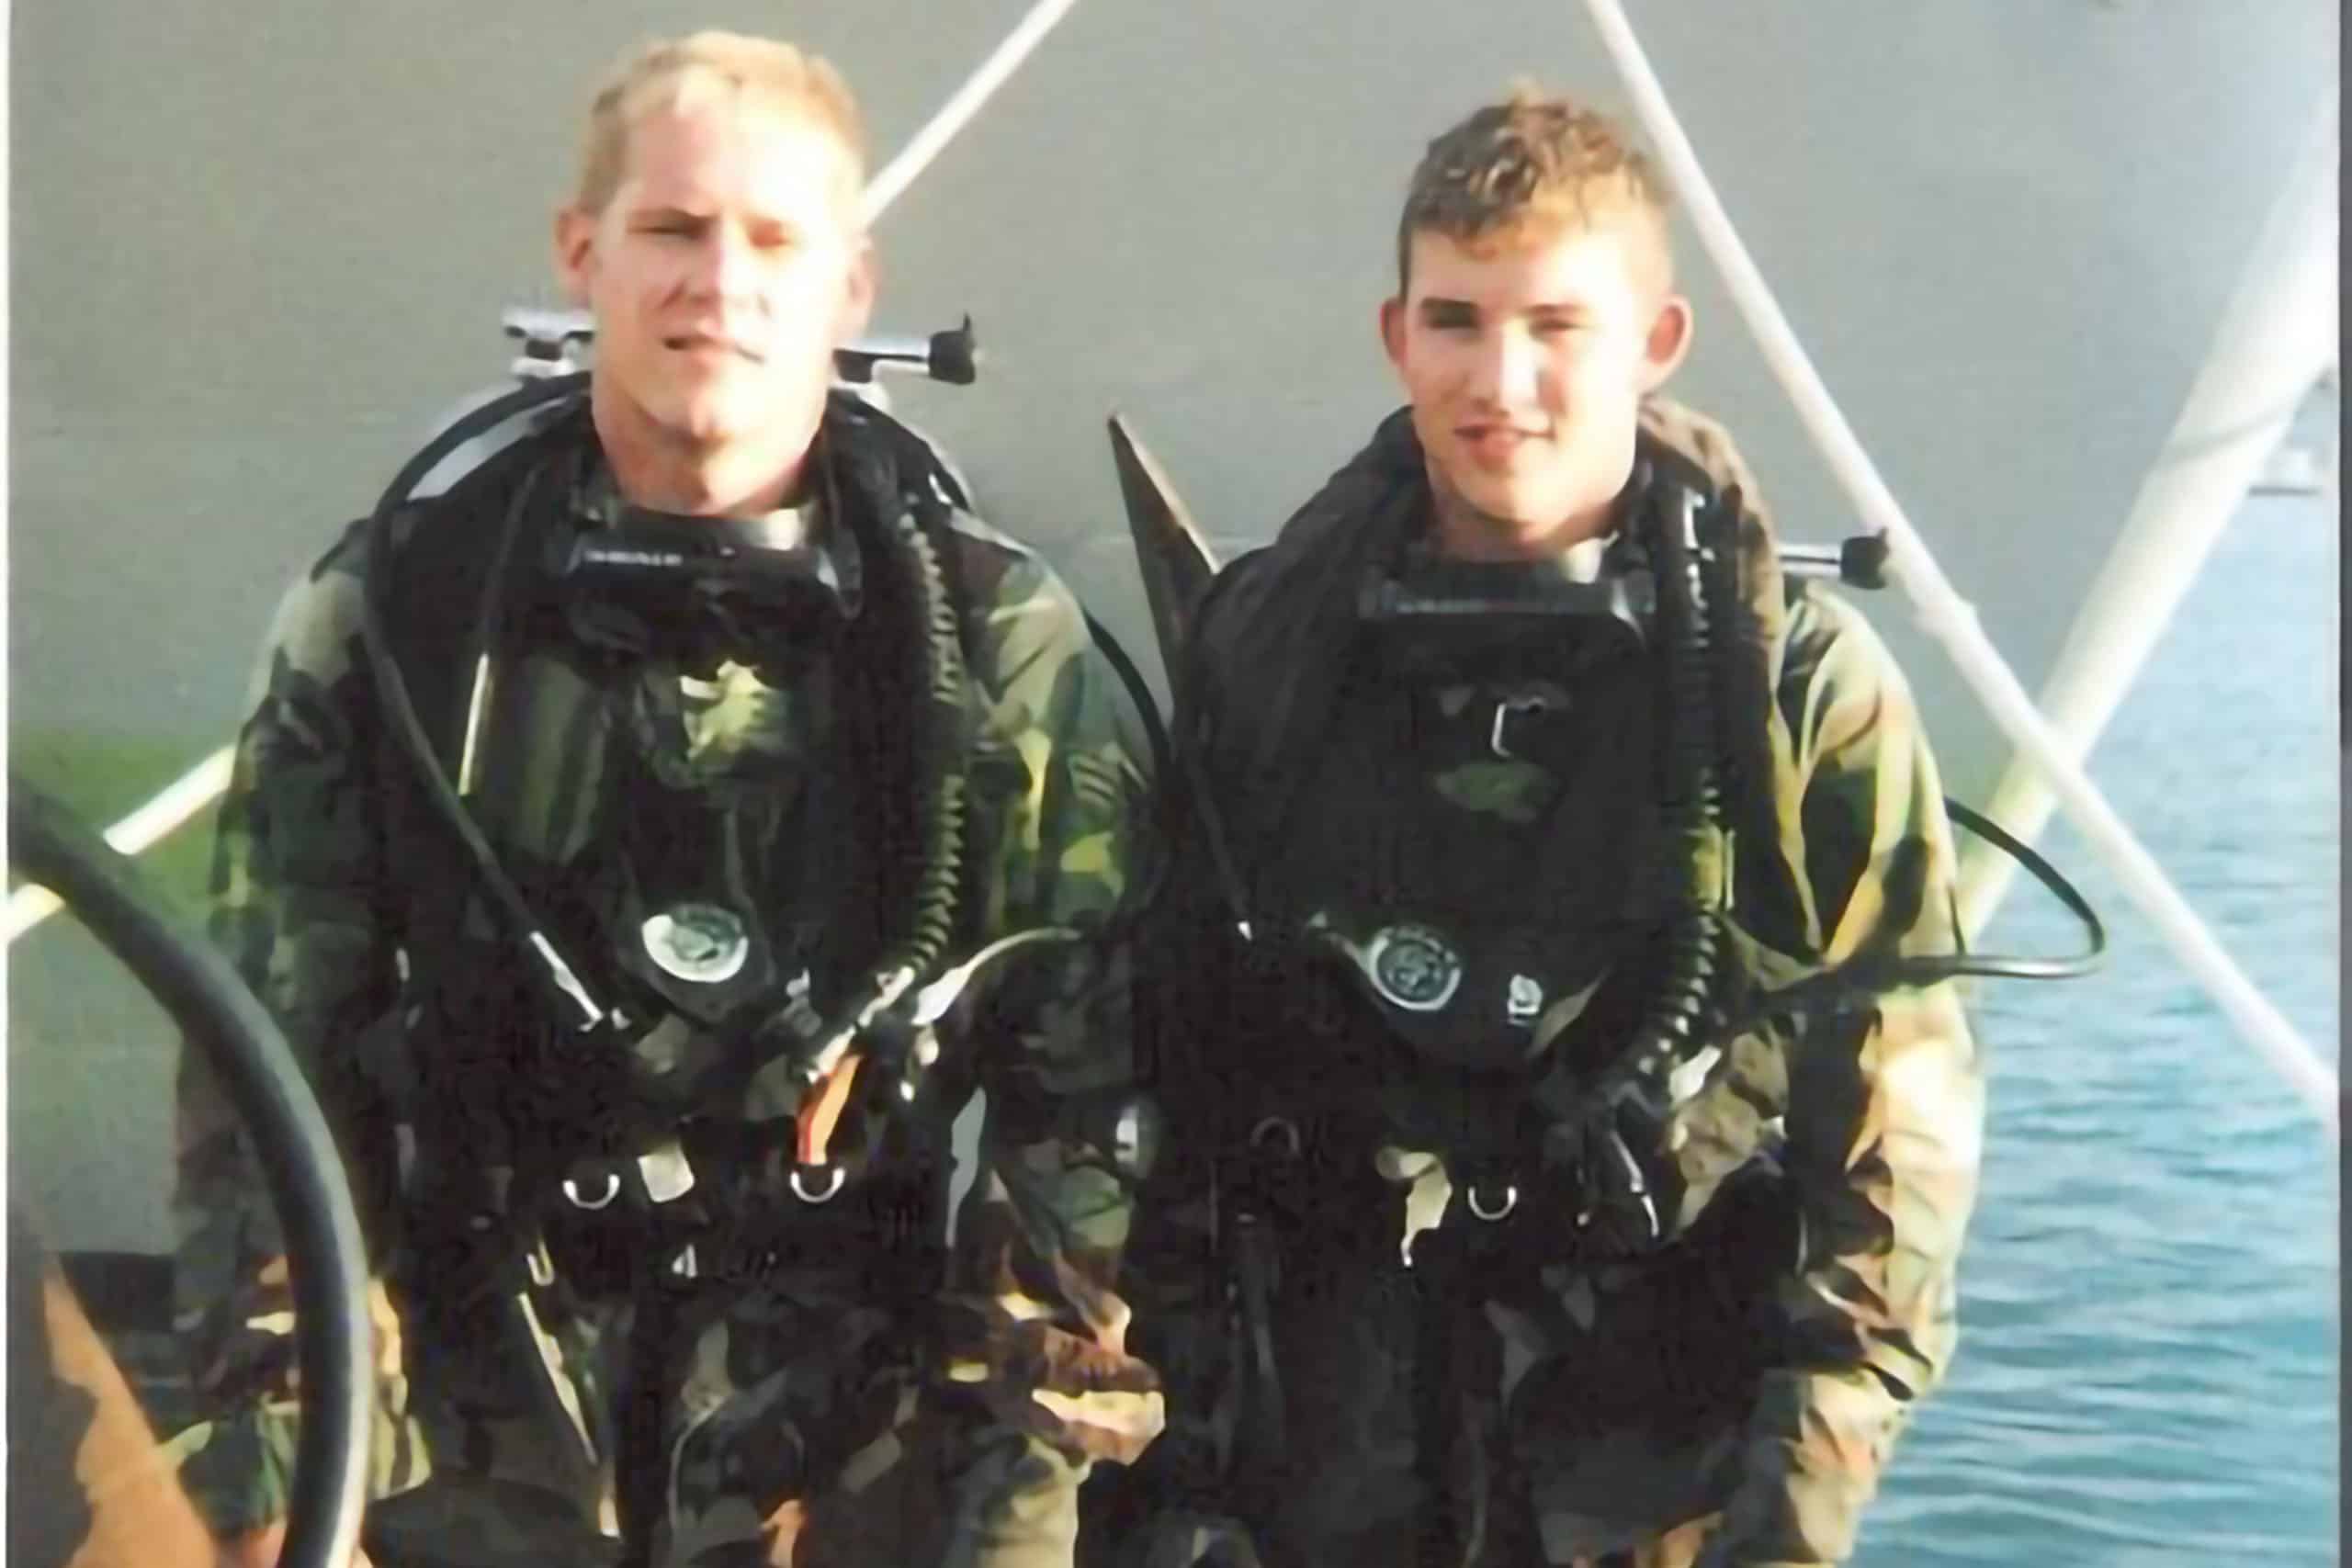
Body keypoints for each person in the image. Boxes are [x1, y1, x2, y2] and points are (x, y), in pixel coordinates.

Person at [172, 30, 1163, 1567]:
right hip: (470, 1441)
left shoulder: (991, 643)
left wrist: (1012, 1528)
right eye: (674, 229)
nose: (721, 283)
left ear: (852, 284)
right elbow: (265, 1079)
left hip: (848, 1452)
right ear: (582, 255)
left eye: (774, 240)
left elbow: (1084, 1111)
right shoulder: (401, 616)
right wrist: (285, 1492)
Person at [1102, 90, 1983, 1567]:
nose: (1499, 380)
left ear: (1655, 341)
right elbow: (1153, 1059)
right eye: (1456, 320)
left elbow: (1892, 1162)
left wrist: (1793, 1520)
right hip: (1318, 1451)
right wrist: (1165, 1476)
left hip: (1646, 1469)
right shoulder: (1270, 648)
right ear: (1397, 336)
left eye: (1556, 325)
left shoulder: (1794, 689)